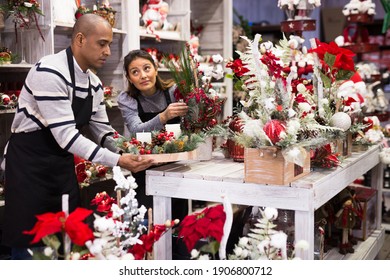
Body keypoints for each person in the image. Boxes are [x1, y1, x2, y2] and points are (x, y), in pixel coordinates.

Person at [1, 14, 154, 260]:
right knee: (30, 244)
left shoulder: (93, 83)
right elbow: (67, 136)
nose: (107, 51)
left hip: (60, 167)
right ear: (80, 39)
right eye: (102, 43)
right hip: (30, 167)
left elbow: (102, 130)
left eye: (109, 44)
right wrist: (118, 161)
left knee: (65, 239)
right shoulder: (50, 71)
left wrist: (128, 151)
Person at [117, 49, 188, 218]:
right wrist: (164, 116)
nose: (143, 75)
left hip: (176, 169)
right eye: (135, 72)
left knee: (177, 222)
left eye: (147, 68)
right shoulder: (127, 99)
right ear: (129, 78)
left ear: (156, 69)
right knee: (149, 222)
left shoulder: (173, 92)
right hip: (145, 171)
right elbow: (136, 129)